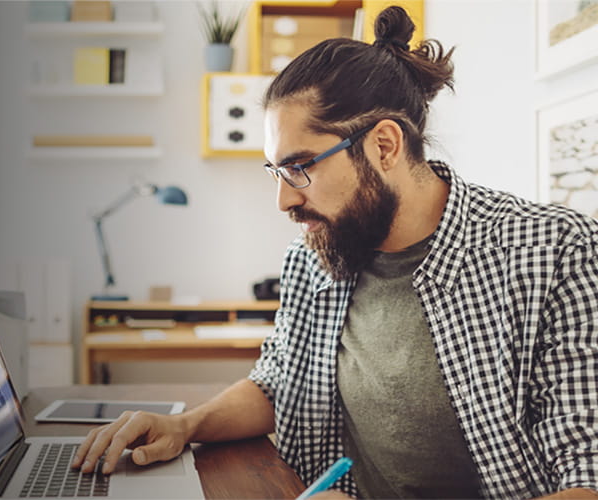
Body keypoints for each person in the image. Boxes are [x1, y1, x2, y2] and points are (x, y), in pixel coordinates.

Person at [72, 6, 598, 499]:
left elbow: (586, 477)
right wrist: (184, 425)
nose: (284, 200)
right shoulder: (315, 255)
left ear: (385, 146)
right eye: (277, 172)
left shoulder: (553, 252)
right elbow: (279, 385)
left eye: (301, 167)